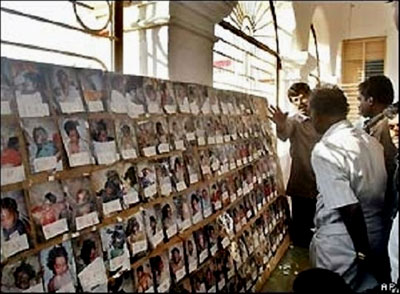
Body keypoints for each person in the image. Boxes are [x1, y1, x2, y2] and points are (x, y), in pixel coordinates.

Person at [308, 86, 387, 292]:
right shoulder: (370, 142)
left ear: (318, 114)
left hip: (344, 242)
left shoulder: (326, 149)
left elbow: (349, 207)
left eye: (310, 113)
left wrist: (361, 252)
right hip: (376, 234)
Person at [268, 82, 320, 247]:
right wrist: (280, 124)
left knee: (323, 227)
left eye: (303, 97)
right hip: (302, 183)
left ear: (311, 95)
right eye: (295, 99)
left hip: (323, 183)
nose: (300, 102)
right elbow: (284, 133)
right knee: (300, 230)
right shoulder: (294, 121)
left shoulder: (322, 120)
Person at [357, 76, 397, 278]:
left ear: (370, 100)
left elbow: (386, 167)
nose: (359, 105)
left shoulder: (384, 127)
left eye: (360, 99)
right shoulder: (375, 124)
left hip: (385, 204)